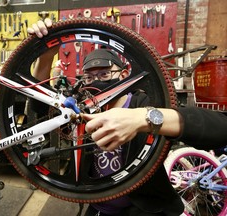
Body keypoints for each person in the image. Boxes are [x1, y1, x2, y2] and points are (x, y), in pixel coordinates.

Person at [28, 19, 193, 216]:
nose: (96, 82)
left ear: (123, 75)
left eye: (105, 74)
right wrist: (46, 56)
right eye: (89, 78)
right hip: (99, 208)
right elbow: (40, 106)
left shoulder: (142, 103)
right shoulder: (82, 109)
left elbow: (178, 120)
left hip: (145, 209)